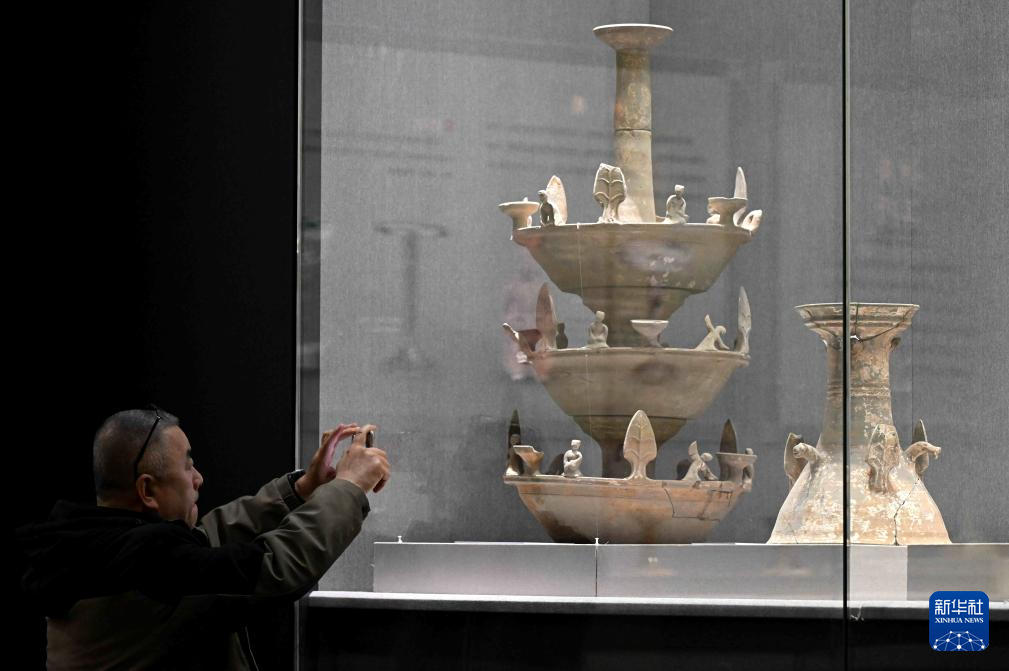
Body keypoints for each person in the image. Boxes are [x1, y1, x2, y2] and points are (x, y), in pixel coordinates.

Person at [17, 406, 389, 670]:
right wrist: (349, 486)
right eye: (188, 466)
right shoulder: (150, 570)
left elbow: (207, 539)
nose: (199, 479)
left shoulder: (98, 549)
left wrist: (303, 489)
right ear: (148, 490)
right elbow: (276, 568)